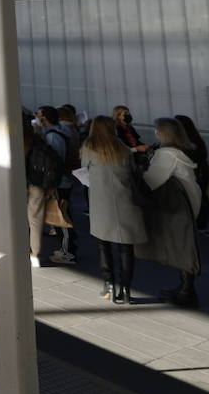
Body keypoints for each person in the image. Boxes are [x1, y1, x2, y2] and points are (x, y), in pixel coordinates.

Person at [139, 117, 203, 307]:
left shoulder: (165, 154)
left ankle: (187, 292)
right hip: (191, 199)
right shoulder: (184, 150)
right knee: (185, 244)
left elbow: (151, 181)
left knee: (182, 246)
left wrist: (138, 171)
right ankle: (185, 287)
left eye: (157, 130)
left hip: (178, 207)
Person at [82, 115, 146, 303]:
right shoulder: (122, 148)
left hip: (101, 202)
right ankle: (126, 288)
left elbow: (83, 170)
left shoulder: (89, 147)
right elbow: (133, 171)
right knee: (126, 247)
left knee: (103, 244)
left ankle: (108, 285)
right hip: (125, 200)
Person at [39, 105, 81, 264]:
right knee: (64, 214)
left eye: (40, 116)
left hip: (59, 182)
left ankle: (68, 251)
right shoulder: (63, 130)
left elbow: (55, 161)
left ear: (45, 118)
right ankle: (67, 249)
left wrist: (50, 183)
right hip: (64, 180)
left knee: (62, 217)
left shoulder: (52, 137)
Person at [24, 117, 65, 267]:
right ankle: (35, 254)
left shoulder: (15, 141)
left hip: (20, 183)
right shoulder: (38, 140)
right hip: (38, 185)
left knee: (18, 218)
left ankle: (20, 248)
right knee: (35, 219)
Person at [174, 113, 209, 237]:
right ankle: (202, 224)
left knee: (202, 201)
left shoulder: (186, 143)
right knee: (201, 199)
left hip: (196, 175)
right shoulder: (195, 138)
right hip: (203, 172)